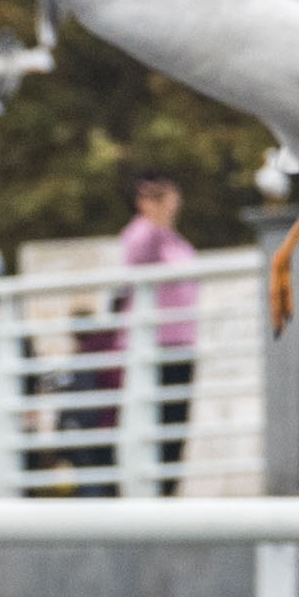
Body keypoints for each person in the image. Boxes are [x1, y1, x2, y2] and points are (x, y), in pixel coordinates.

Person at [117, 174, 201, 485]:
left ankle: (168, 491)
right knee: (154, 426)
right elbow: (138, 254)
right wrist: (151, 212)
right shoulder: (141, 234)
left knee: (174, 428)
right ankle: (151, 490)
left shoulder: (173, 240)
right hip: (152, 346)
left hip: (180, 344)